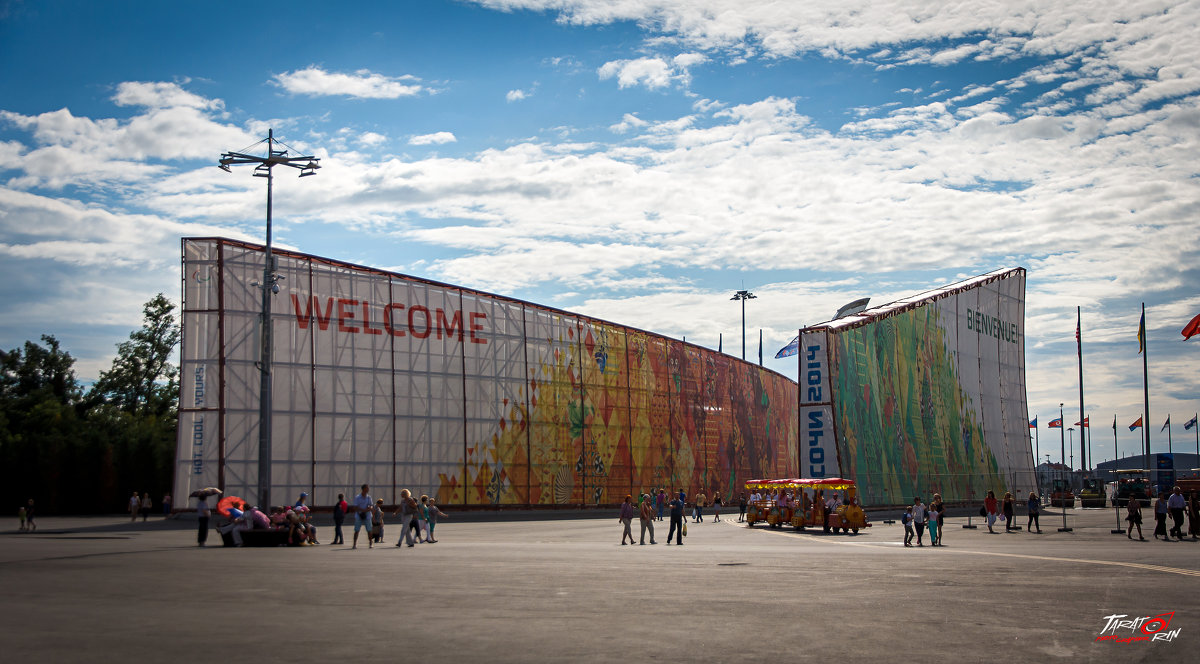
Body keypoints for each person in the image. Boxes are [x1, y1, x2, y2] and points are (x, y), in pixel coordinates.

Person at [352, 484, 373, 550]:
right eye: (367, 488)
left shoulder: (369, 497)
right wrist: (362, 510)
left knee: (369, 530)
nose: (368, 489)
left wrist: (369, 508)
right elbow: (355, 507)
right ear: (363, 489)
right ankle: (354, 544)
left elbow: (371, 505)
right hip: (359, 516)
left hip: (367, 516)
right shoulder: (357, 497)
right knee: (356, 530)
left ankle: (370, 543)